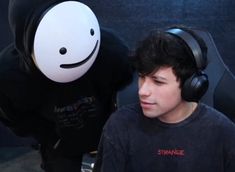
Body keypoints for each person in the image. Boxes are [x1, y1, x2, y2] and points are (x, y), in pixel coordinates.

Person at [0, 0, 133, 171]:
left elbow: (130, 84)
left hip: (108, 134)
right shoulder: (10, 76)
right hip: (59, 144)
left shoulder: (110, 50)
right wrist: (49, 137)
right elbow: (13, 117)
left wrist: (117, 128)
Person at [93, 26, 235, 172]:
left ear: (191, 84)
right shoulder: (119, 125)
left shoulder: (223, 133)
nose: (142, 91)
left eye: (158, 82)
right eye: (142, 77)